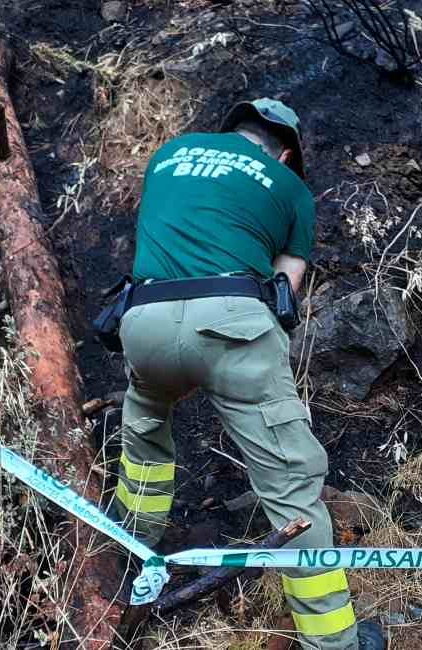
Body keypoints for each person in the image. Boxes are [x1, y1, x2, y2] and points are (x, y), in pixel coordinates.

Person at [113, 98, 382, 649]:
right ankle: (333, 643)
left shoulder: (170, 153)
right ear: (284, 153)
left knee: (144, 442)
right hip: (233, 323)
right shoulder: (291, 188)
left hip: (142, 321)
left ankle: (128, 560)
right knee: (293, 487)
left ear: (231, 132)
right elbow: (286, 285)